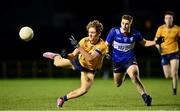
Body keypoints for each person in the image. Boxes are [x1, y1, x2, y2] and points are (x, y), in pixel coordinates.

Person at [43, 20, 107, 107]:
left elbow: (90, 58)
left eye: (93, 32)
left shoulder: (102, 45)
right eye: (89, 32)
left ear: (99, 33)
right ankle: (55, 56)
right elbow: (73, 55)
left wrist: (78, 46)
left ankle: (62, 99)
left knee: (84, 90)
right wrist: (66, 55)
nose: (90, 35)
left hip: (89, 70)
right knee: (56, 63)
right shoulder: (84, 41)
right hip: (78, 62)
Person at [105, 14, 164, 106]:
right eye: (123, 23)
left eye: (127, 24)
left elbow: (144, 43)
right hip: (117, 62)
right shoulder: (114, 31)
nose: (124, 26)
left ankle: (145, 96)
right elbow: (106, 44)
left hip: (130, 59)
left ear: (131, 24)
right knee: (118, 84)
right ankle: (124, 73)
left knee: (134, 76)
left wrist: (155, 42)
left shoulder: (135, 33)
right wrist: (107, 52)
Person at [155, 11, 180, 95]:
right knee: (167, 75)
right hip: (164, 54)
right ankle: (175, 78)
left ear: (173, 19)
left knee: (174, 71)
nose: (168, 20)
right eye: (166, 18)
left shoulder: (177, 29)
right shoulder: (161, 29)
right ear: (164, 19)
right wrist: (158, 47)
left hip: (174, 52)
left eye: (170, 18)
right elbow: (157, 40)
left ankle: (174, 90)